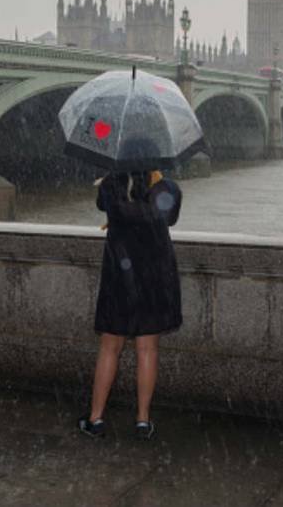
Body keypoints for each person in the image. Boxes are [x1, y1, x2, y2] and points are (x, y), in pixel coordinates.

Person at [78, 170, 183, 441]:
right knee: (147, 349)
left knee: (110, 347)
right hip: (153, 276)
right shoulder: (164, 186)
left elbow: (103, 205)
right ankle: (142, 420)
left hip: (120, 276)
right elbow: (169, 216)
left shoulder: (113, 183)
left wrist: (109, 179)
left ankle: (96, 418)